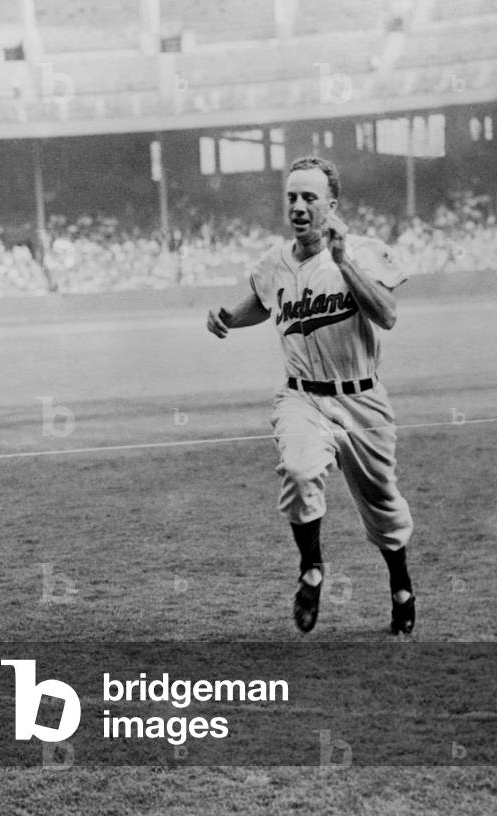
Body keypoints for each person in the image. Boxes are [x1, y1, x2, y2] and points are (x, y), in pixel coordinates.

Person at [206, 156, 416, 636]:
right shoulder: (272, 263)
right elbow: (262, 302)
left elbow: (386, 315)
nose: (298, 207)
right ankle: (312, 570)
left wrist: (343, 263)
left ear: (332, 205)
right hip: (301, 397)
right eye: (291, 197)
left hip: (362, 399)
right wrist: (227, 319)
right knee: (299, 471)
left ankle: (401, 585)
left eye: (309, 198)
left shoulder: (362, 251)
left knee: (382, 503)